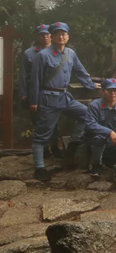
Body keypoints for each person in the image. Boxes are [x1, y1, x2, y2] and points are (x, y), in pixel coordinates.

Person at [29, 22, 100, 181]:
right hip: (48, 98)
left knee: (87, 114)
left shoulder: (70, 53)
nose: (61, 37)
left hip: (65, 97)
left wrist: (91, 85)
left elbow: (80, 71)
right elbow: (35, 81)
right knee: (42, 134)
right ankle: (39, 168)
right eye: (57, 34)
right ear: (52, 37)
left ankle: (73, 144)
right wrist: (34, 101)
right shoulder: (43, 55)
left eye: (64, 34)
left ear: (67, 36)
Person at [19, 24, 63, 158]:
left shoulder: (58, 51)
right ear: (38, 37)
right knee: (38, 121)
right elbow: (24, 75)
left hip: (51, 92)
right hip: (34, 92)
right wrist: (23, 93)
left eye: (47, 34)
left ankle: (55, 147)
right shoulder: (29, 53)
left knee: (53, 121)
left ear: (51, 36)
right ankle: (43, 150)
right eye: (42, 35)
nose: (45, 37)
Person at [84, 78, 116, 177]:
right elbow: (90, 124)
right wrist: (110, 132)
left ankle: (108, 162)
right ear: (103, 91)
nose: (112, 93)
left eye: (115, 90)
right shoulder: (94, 105)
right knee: (99, 139)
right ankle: (96, 165)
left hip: (112, 140)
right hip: (95, 138)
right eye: (109, 91)